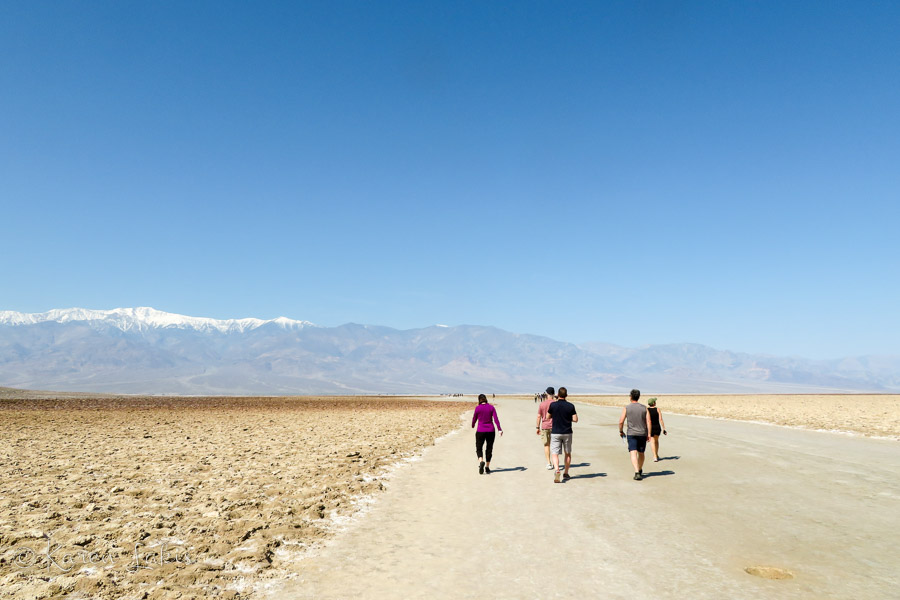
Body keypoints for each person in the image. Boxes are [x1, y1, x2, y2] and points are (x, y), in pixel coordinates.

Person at [619, 389, 651, 480]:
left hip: (631, 433)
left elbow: (621, 422)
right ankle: (640, 469)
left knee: (633, 452)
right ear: (638, 397)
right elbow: (648, 421)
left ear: (631, 397)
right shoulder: (644, 408)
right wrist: (649, 433)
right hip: (642, 433)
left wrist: (621, 431)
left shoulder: (626, 408)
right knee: (641, 453)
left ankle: (637, 472)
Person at [547, 386, 577, 483]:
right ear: (566, 395)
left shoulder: (553, 405)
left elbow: (548, 416)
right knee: (567, 453)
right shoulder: (571, 406)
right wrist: (568, 418)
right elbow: (575, 419)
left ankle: (557, 470)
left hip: (556, 432)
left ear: (558, 395)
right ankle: (566, 473)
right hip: (567, 432)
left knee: (555, 453)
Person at [471, 393, 502, 474]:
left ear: (479, 400)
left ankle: (481, 461)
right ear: (486, 399)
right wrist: (499, 429)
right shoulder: (491, 407)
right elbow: (496, 419)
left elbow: (474, 418)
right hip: (491, 431)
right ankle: (487, 467)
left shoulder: (478, 408)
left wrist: (473, 424)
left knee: (479, 447)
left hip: (480, 431)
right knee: (489, 448)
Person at [536, 386, 556, 470]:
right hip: (555, 427)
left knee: (546, 445)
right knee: (555, 446)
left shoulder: (542, 404)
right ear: (554, 394)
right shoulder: (555, 403)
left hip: (545, 427)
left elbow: (538, 416)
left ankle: (549, 463)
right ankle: (556, 463)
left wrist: (537, 427)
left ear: (547, 394)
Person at [647, 397, 667, 462]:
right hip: (657, 427)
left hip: (651, 427)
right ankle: (656, 455)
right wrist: (664, 428)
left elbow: (646, 420)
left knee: (652, 441)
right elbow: (660, 419)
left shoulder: (647, 410)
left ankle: (655, 456)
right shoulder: (657, 409)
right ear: (653, 403)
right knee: (656, 441)